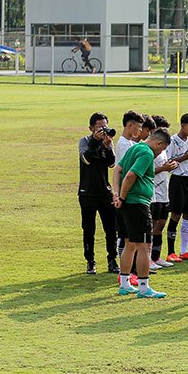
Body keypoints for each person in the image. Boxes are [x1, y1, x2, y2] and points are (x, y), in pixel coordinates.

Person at [112, 128, 172, 299]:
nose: (159, 153)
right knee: (145, 246)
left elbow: (117, 169)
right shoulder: (146, 153)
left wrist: (116, 194)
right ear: (159, 143)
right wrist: (122, 197)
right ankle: (144, 287)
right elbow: (130, 176)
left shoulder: (134, 148)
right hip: (137, 204)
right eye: (161, 149)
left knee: (129, 243)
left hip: (126, 204)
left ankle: (125, 284)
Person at [78, 112, 118, 275]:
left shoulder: (107, 142)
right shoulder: (85, 141)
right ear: (91, 128)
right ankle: (90, 261)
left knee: (111, 229)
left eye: (105, 126)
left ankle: (112, 260)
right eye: (100, 127)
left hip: (104, 192)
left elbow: (112, 163)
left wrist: (108, 146)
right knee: (89, 229)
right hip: (87, 193)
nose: (103, 130)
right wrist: (95, 140)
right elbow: (86, 159)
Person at [112, 110, 145, 286]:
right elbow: (124, 171)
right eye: (138, 127)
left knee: (129, 239)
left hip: (125, 195)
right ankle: (128, 273)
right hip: (129, 197)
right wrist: (121, 195)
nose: (140, 131)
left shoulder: (128, 143)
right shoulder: (125, 145)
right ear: (130, 125)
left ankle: (127, 274)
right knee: (130, 239)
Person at [166, 113, 188, 262]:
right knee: (175, 214)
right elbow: (168, 161)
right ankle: (171, 251)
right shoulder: (173, 141)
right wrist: (184, 158)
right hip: (177, 180)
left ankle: (184, 250)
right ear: (182, 125)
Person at [149, 115, 178, 270]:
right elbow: (147, 171)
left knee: (160, 224)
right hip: (153, 192)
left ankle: (156, 256)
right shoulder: (149, 149)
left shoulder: (163, 149)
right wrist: (164, 168)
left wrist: (171, 165)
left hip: (164, 191)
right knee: (152, 225)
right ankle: (148, 259)